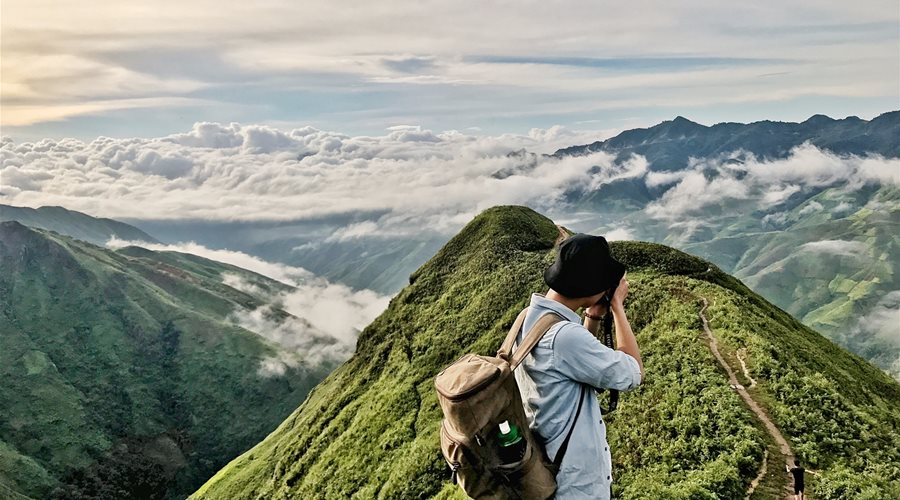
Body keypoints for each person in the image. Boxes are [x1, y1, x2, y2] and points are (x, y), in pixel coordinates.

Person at [513, 233, 644, 499]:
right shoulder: (564, 337)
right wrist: (618, 308)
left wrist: (593, 317)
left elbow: (570, 366)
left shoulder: (528, 319)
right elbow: (632, 372)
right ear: (590, 288)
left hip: (546, 468)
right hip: (573, 484)